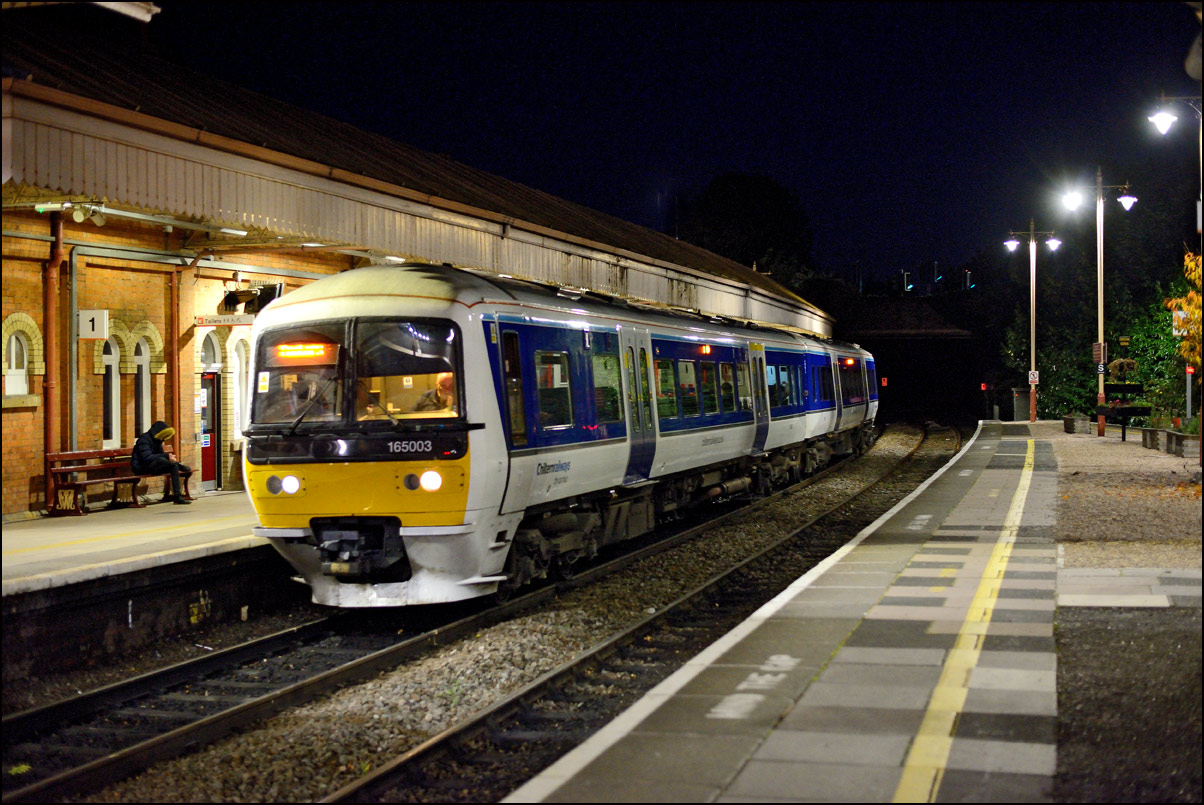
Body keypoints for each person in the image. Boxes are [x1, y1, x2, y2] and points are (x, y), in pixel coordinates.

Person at [131, 420, 192, 504]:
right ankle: (180, 466)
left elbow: (161, 455)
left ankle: (177, 497)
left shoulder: (158, 440)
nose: (163, 439)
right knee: (161, 460)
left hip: (153, 466)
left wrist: (169, 459)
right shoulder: (144, 439)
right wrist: (166, 456)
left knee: (173, 466)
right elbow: (147, 457)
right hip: (141, 467)